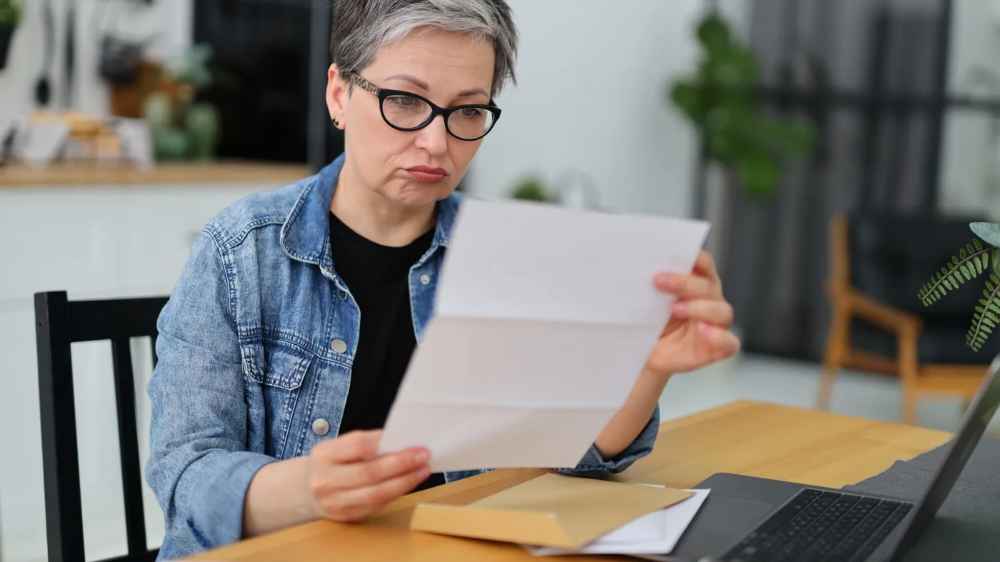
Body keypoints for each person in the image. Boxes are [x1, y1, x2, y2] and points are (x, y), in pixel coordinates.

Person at [146, 0, 741, 559]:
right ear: (339, 94)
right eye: (405, 100)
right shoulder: (242, 253)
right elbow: (184, 476)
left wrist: (649, 365)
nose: (437, 142)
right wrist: (307, 489)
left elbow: (574, 458)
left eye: (468, 110)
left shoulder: (507, 257)